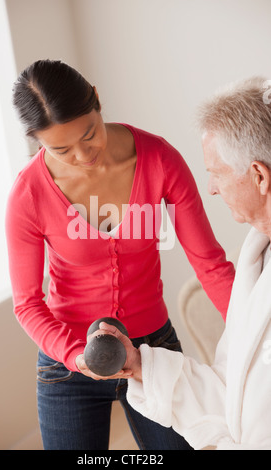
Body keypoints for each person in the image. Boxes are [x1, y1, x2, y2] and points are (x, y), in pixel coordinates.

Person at [5, 59, 235, 450]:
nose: (82, 155)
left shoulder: (159, 159)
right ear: (37, 141)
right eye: (61, 149)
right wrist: (75, 356)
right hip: (69, 363)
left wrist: (256, 335)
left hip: (154, 352)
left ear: (96, 100)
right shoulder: (28, 194)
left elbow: (210, 265)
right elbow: (27, 304)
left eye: (89, 135)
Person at [98, 76, 271, 450]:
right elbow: (233, 392)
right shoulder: (258, 259)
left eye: (217, 172)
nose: (210, 187)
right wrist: (142, 365)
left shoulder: (156, 157)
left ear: (259, 176)